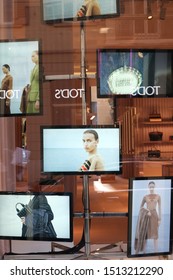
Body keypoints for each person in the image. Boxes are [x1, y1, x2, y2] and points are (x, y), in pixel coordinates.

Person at [134, 181, 161, 254]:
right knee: (146, 235)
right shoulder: (145, 197)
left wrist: (159, 219)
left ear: (154, 187)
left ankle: (156, 252)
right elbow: (141, 207)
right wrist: (146, 211)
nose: (151, 188)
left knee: (155, 235)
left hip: (155, 216)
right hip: (147, 217)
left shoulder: (158, 196)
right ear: (148, 187)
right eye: (150, 186)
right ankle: (144, 252)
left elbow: (160, 208)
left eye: (153, 186)